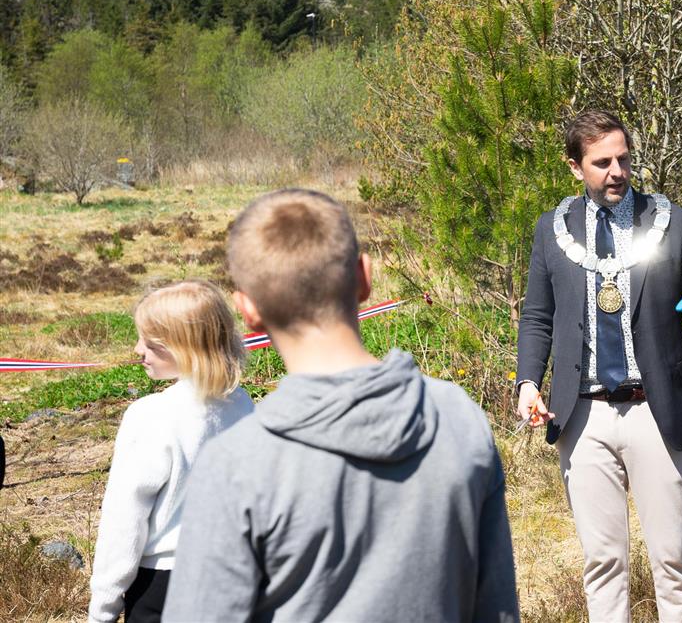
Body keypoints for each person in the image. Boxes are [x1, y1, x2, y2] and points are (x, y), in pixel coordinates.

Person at [162, 189, 519, 622]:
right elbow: (497, 607)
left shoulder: (234, 466)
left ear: (247, 311)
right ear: (365, 278)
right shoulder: (458, 417)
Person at [516, 110, 682, 622]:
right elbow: (537, 316)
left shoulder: (672, 222)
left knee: (673, 560)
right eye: (602, 162)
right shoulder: (552, 231)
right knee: (603, 563)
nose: (617, 171)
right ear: (575, 167)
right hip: (582, 417)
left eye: (624, 159)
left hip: (654, 410)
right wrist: (527, 382)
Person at [89, 280, 253, 623]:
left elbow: (124, 520)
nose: (137, 349)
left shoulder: (151, 415)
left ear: (185, 346)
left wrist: (103, 608)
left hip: (163, 588)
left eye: (150, 342)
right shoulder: (243, 404)